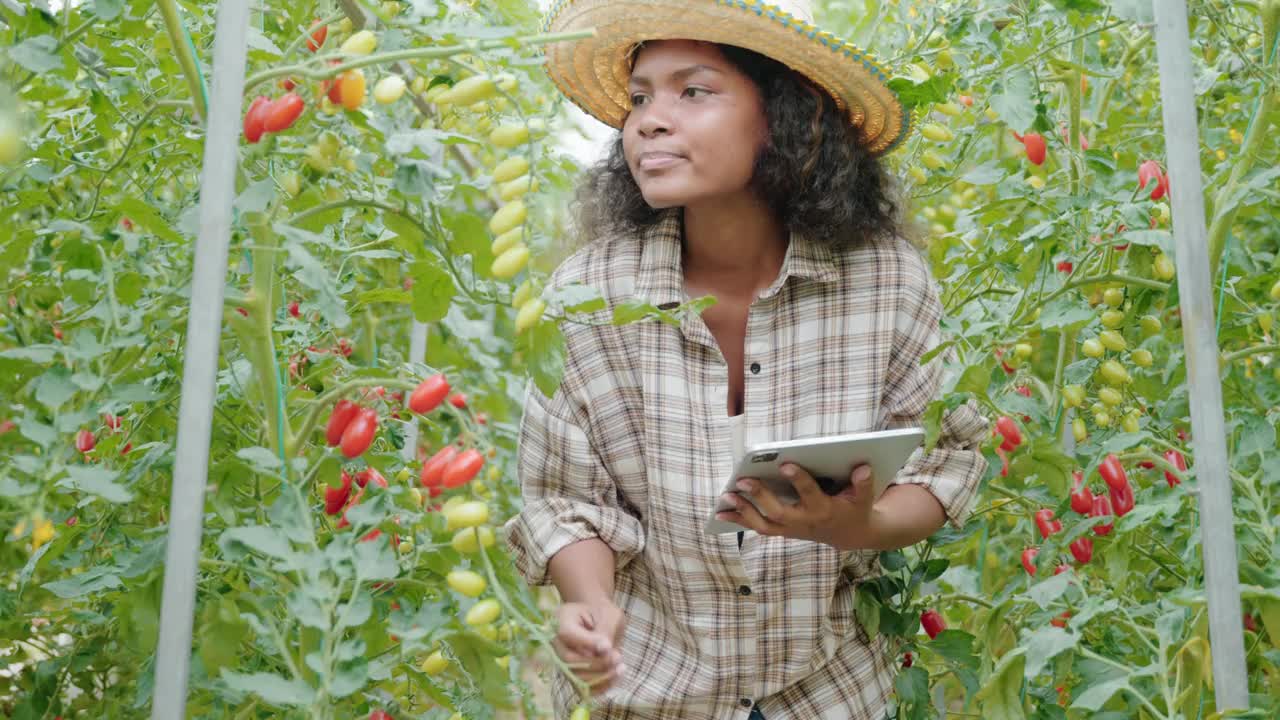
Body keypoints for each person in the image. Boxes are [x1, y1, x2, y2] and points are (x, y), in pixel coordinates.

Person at [503, 1, 989, 718]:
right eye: (640, 98)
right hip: (649, 692)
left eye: (693, 91)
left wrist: (860, 528)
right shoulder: (587, 295)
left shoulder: (887, 280)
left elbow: (943, 457)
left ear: (785, 119)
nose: (649, 120)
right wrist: (591, 601)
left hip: (828, 693)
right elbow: (568, 500)